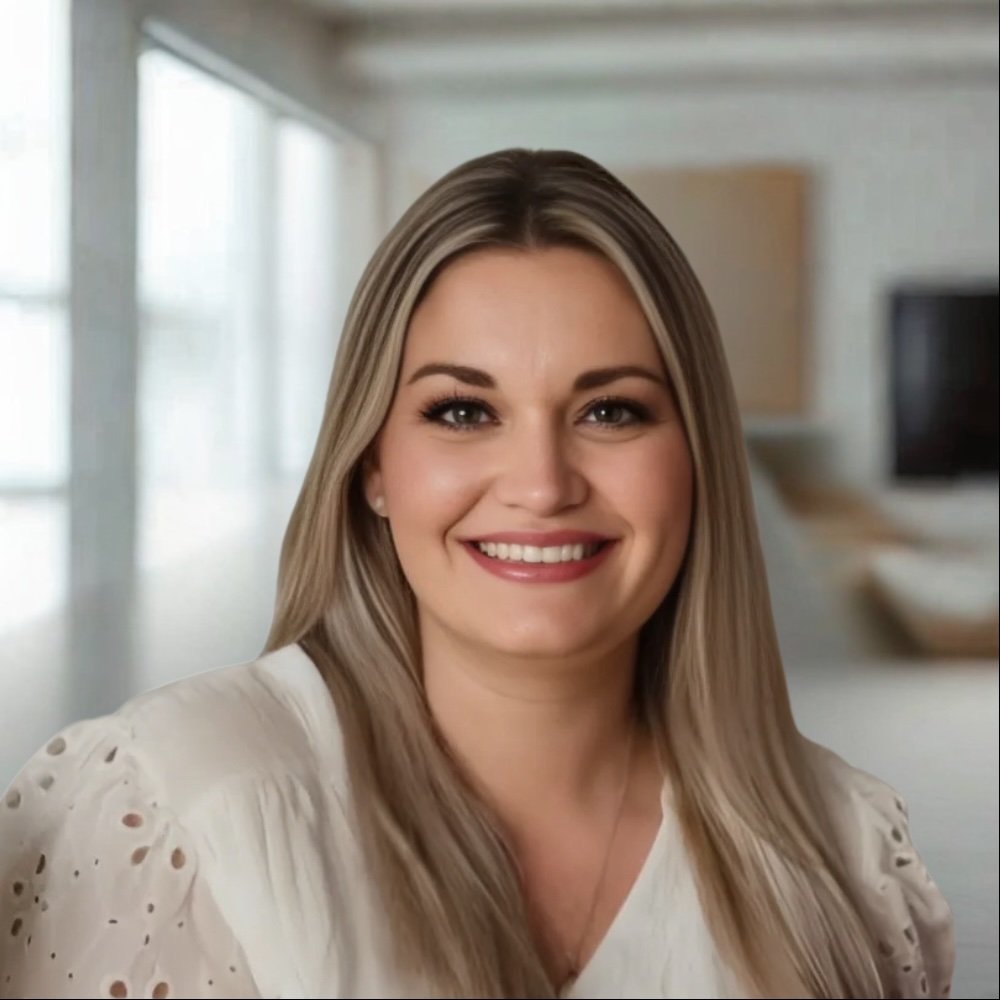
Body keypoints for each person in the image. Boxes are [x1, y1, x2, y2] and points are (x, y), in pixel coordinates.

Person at [1, 148, 954, 1000]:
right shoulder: (177, 805)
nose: (541, 486)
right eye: (463, 412)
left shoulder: (845, 854)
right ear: (372, 464)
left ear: (698, 457)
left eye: (612, 411)